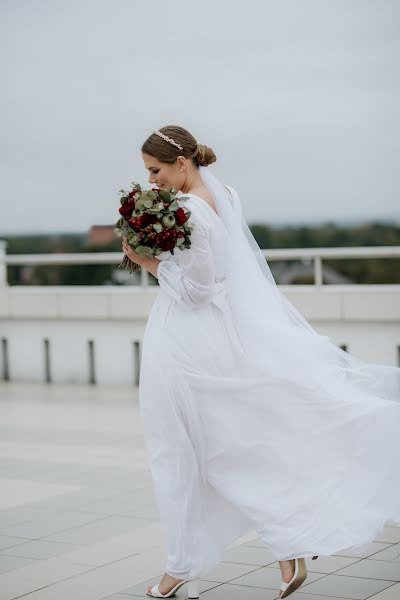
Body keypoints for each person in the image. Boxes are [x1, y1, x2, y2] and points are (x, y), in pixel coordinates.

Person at [121, 125, 400, 599]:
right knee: (232, 444)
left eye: (156, 170)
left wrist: (140, 257)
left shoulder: (187, 209)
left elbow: (195, 290)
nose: (152, 182)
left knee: (179, 452)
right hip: (223, 333)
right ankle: (284, 542)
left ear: (182, 163)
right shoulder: (225, 193)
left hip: (185, 340)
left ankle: (182, 566)